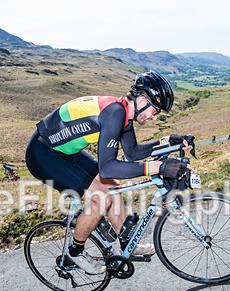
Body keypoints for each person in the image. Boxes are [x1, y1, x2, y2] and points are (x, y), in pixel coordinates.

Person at [25, 70, 187, 274]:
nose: (154, 118)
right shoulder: (115, 113)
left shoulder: (124, 115)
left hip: (66, 151)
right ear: (143, 99)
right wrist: (159, 167)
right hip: (43, 154)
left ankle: (129, 244)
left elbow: (133, 153)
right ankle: (75, 253)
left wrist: (167, 142)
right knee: (100, 199)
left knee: (112, 187)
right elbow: (107, 166)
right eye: (155, 111)